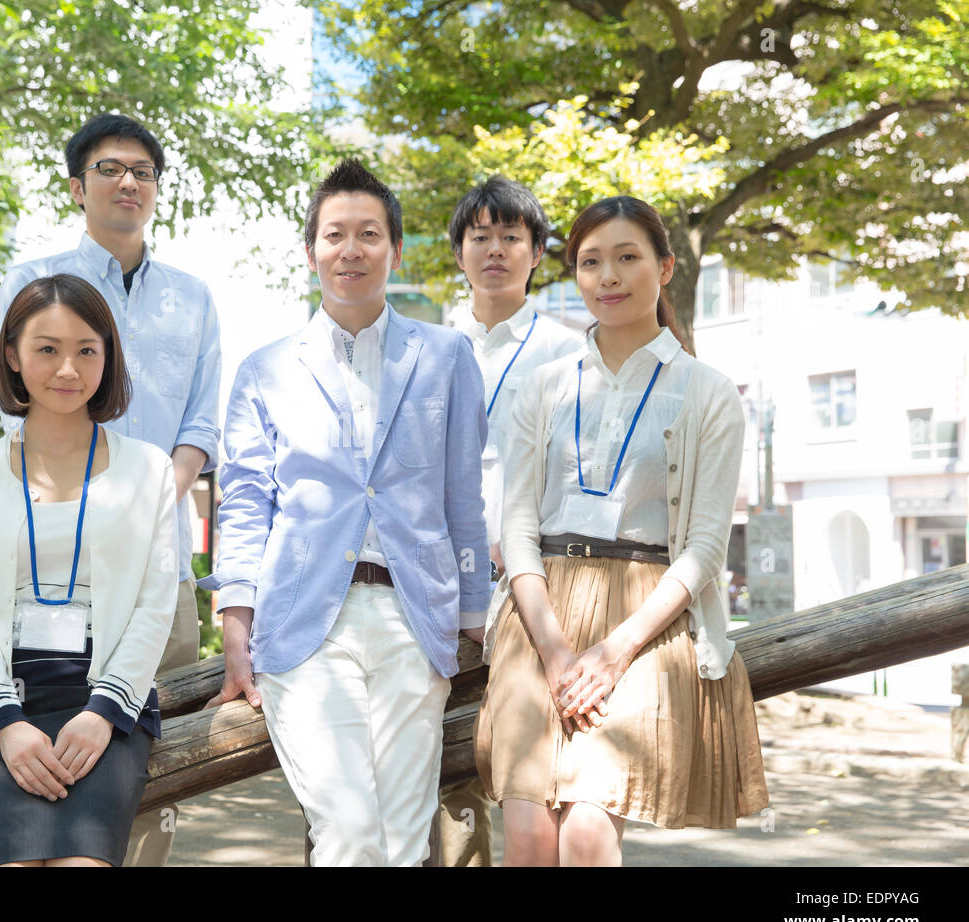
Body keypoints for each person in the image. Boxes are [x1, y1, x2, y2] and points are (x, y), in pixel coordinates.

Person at [201, 158, 490, 866]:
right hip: (304, 624)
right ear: (312, 252)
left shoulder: (447, 355)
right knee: (350, 830)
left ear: (394, 248)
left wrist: (476, 618)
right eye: (335, 235)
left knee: (401, 836)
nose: (351, 249)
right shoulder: (265, 368)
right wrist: (235, 628)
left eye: (368, 234)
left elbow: (463, 498)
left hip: (413, 616)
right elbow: (244, 503)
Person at [475, 195, 769, 866]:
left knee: (585, 834)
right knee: (526, 837)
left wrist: (611, 654)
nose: (607, 276)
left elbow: (703, 548)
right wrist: (553, 651)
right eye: (590, 262)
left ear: (665, 269)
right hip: (539, 609)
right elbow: (517, 526)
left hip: (646, 619)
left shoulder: (707, 392)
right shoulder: (544, 387)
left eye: (627, 258)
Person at [0, 113, 220, 865]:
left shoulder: (194, 297)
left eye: (144, 171)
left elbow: (201, 422)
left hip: (157, 546)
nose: (129, 182)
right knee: (51, 722)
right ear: (77, 186)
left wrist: (159, 492)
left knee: (149, 743)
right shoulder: (33, 282)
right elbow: (13, 411)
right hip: (53, 546)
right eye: (111, 169)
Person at [0, 274, 177, 867]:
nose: (67, 368)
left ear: (108, 358)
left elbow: (155, 604)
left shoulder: (148, 470)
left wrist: (103, 714)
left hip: (105, 703)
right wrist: (7, 726)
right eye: (47, 349)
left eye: (86, 351)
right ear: (13, 357)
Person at [436, 176, 581, 867]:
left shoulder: (566, 350)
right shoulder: (427, 346)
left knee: (533, 752)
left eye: (511, 238)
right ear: (459, 251)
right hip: (436, 576)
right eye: (480, 237)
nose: (494, 250)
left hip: (531, 581)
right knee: (444, 751)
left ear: (536, 252)